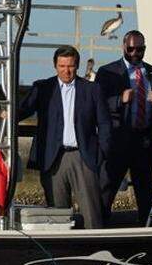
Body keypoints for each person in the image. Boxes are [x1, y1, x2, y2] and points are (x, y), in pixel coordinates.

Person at [18, 45, 110, 229]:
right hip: (53, 158)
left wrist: (101, 154)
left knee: (92, 214)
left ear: (77, 66)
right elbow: (22, 110)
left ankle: (97, 251)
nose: (66, 71)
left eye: (70, 66)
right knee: (57, 217)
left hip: (83, 157)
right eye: (62, 66)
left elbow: (105, 124)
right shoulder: (43, 88)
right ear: (55, 66)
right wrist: (8, 113)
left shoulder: (92, 89)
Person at [96, 30, 152, 225]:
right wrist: (119, 100)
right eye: (131, 48)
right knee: (107, 187)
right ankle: (99, 227)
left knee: (145, 190)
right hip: (118, 140)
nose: (135, 52)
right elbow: (97, 104)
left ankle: (146, 228)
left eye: (140, 49)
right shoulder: (108, 72)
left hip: (144, 141)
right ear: (123, 47)